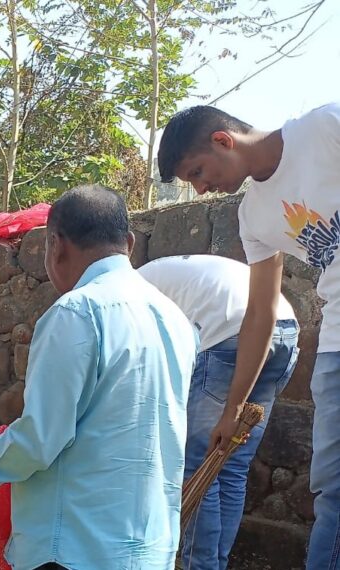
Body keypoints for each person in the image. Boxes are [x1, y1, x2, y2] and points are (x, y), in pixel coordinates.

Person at [0, 185, 198, 569]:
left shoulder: (76, 313)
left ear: (55, 245)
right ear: (129, 243)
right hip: (148, 548)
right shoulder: (175, 318)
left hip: (76, 549)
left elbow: (40, 441)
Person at [158, 103, 340, 568]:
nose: (200, 188)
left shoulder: (325, 128)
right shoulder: (253, 215)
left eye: (197, 172)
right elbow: (259, 311)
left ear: (224, 140)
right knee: (332, 492)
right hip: (335, 344)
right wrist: (233, 407)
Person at [138, 254, 300, 570]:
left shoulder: (124, 292)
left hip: (231, 330)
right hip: (282, 328)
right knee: (230, 464)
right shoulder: (156, 275)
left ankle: (200, 565)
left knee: (198, 464)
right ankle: (214, 564)